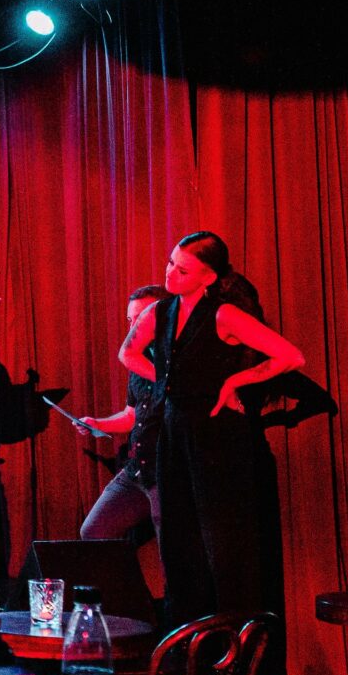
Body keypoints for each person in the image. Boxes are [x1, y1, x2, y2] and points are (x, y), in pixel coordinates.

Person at [119, 231, 304, 631]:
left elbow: (290, 356)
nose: (170, 274)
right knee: (180, 546)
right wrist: (167, 382)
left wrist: (235, 380)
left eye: (183, 270)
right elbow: (127, 353)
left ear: (208, 277)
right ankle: (189, 642)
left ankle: (236, 646)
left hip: (218, 439)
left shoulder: (224, 315)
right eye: (170, 263)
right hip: (174, 434)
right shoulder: (158, 313)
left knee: (223, 550)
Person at [75, 285, 168, 593]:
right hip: (137, 469)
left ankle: (178, 616)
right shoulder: (136, 363)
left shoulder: (176, 361)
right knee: (95, 530)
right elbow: (131, 415)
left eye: (139, 318)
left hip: (166, 470)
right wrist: (97, 423)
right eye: (130, 320)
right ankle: (127, 605)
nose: (132, 328)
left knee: (172, 553)